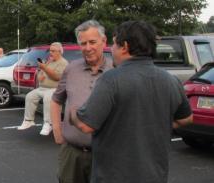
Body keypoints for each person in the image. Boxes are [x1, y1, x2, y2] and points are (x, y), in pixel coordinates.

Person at [69, 21, 193, 183]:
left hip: (114, 176)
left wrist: (72, 114)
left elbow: (86, 125)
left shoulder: (111, 79)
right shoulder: (171, 80)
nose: (111, 49)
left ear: (125, 46)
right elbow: (186, 119)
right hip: (155, 176)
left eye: (113, 43)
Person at [50, 20, 113, 183]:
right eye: (83, 43)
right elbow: (56, 99)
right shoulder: (71, 68)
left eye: (92, 42)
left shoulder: (116, 70)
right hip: (72, 154)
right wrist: (57, 131)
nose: (87, 48)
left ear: (104, 41)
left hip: (107, 155)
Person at [17, 42, 68, 136]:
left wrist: (44, 67)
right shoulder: (49, 61)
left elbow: (57, 77)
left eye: (53, 51)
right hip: (43, 88)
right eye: (50, 51)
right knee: (30, 96)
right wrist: (40, 75)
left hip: (55, 89)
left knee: (48, 98)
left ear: (60, 52)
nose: (50, 53)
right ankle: (28, 120)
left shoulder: (63, 63)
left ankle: (49, 123)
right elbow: (41, 73)